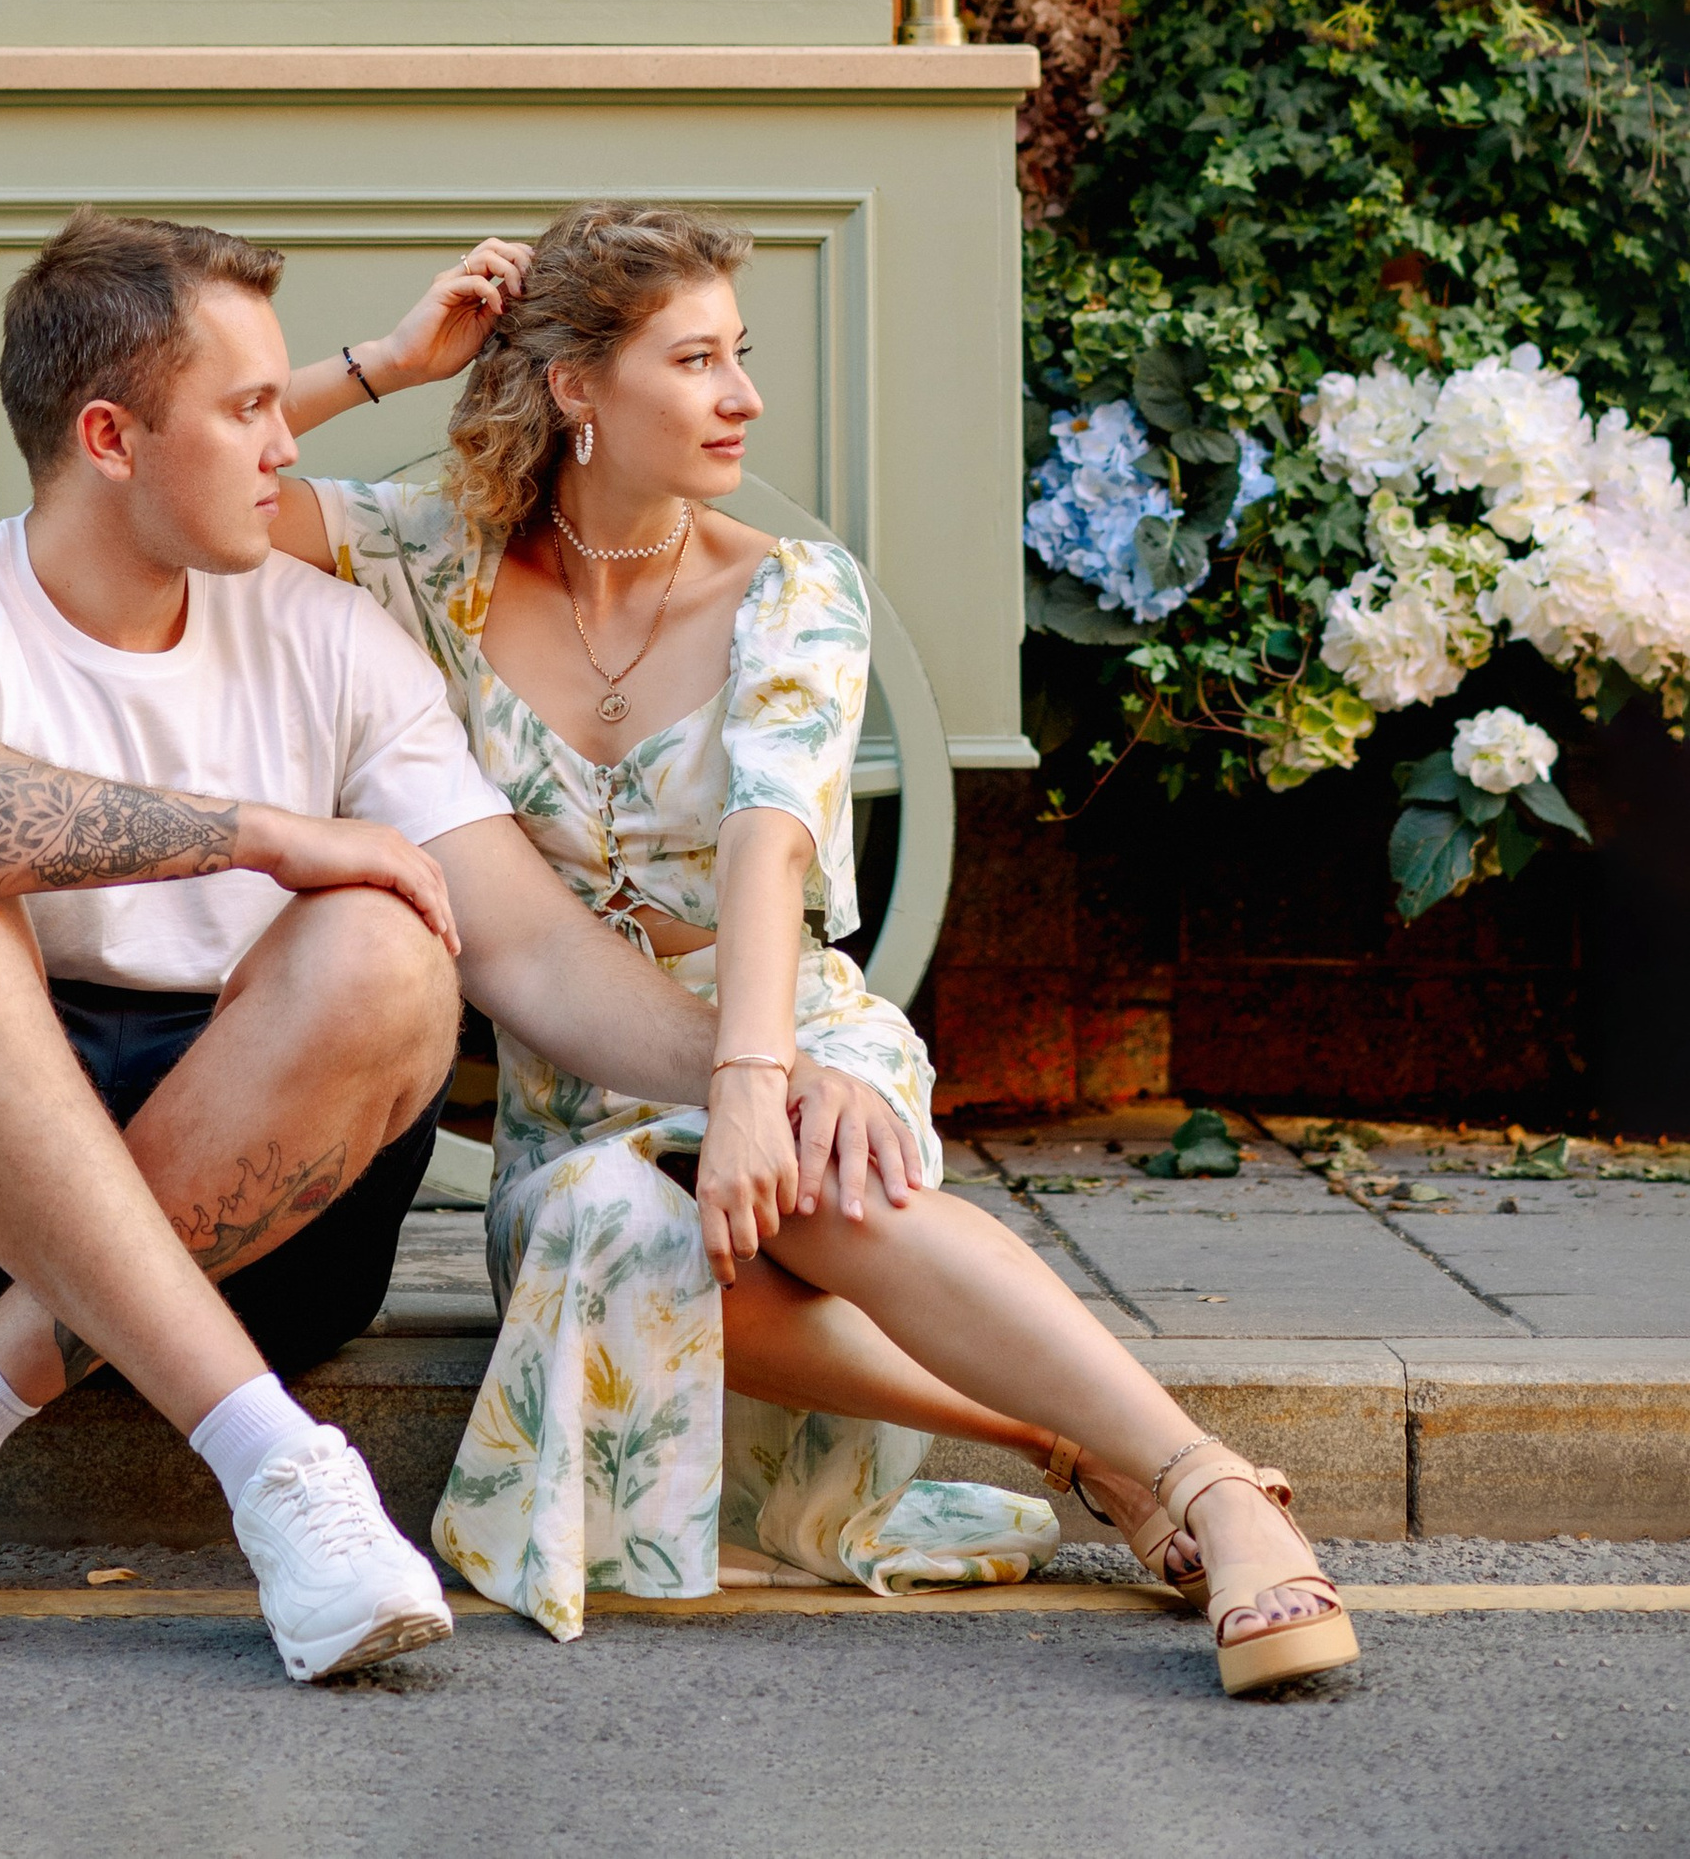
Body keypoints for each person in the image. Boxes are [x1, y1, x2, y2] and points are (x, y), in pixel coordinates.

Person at [276, 202, 1361, 1701]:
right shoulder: (430, 565)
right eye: (699, 359)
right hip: (574, 1093)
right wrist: (387, 360)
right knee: (611, 1217)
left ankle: (1210, 1489)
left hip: (781, 1015)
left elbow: (769, 840)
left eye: (745, 355)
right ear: (578, 388)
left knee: (821, 1160)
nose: (745, 397)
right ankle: (1065, 1442)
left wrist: (757, 1076)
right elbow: (196, 479)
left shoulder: (793, 588)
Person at [0, 208, 814, 1681]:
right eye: (252, 408)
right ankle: (278, 1462)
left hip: (276, 1211)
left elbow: (527, 950)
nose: (290, 446)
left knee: (397, 945)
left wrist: (771, 1077)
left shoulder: (327, 635)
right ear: (111, 438)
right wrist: (264, 832)